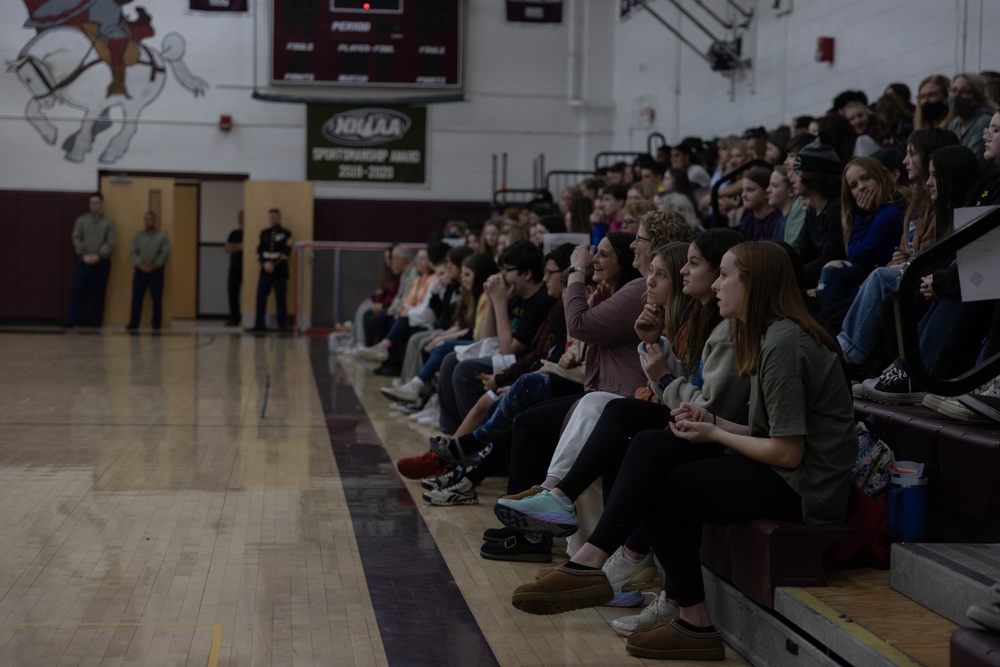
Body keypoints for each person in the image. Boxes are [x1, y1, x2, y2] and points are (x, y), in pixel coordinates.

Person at [505, 241, 856, 662]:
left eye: (726, 275)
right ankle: (654, 599)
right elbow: (768, 433)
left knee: (658, 477)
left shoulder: (783, 342)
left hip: (805, 489)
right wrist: (714, 423)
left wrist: (716, 435)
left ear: (756, 283)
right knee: (652, 448)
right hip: (787, 472)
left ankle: (626, 582)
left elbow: (787, 453)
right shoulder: (771, 334)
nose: (719, 285)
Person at [65, 193, 117, 328]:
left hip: (102, 263)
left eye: (97, 203)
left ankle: (95, 321)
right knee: (79, 291)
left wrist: (99, 255)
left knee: (99, 292)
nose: (94, 205)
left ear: (101, 204)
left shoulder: (109, 222)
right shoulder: (81, 220)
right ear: (89, 205)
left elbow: (110, 241)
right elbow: (76, 237)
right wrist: (84, 255)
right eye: (92, 203)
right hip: (84, 262)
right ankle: (71, 319)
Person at [126, 211, 170, 331]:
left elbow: (165, 253)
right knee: (136, 298)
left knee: (156, 299)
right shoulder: (138, 235)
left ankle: (156, 324)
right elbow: (133, 252)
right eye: (146, 219)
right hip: (140, 271)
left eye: (150, 219)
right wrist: (140, 264)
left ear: (155, 220)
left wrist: (154, 265)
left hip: (156, 272)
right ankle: (134, 322)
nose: (148, 221)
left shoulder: (162, 235)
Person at [250, 208, 292, 333]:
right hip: (265, 271)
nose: (273, 219)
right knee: (260, 297)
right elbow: (259, 252)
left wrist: (274, 265)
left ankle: (282, 326)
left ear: (279, 218)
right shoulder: (264, 233)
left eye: (275, 217)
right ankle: (259, 325)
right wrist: (265, 264)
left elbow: (286, 253)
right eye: (271, 217)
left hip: (280, 271)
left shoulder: (286, 233)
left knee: (280, 298)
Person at [224, 210, 243, 326]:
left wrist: (235, 246)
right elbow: (227, 248)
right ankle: (234, 317)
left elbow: (248, 247)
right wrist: (239, 246)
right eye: (240, 217)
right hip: (234, 267)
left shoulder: (250, 233)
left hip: (245, 268)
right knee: (232, 291)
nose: (241, 219)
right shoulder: (234, 233)